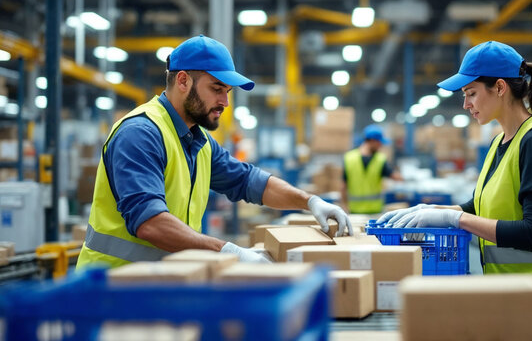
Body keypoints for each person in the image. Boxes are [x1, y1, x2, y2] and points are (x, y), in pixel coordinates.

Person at [76, 35, 351, 268]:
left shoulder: (199, 141)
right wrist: (231, 253)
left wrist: (311, 202)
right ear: (183, 81)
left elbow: (248, 181)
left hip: (160, 289)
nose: (226, 102)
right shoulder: (140, 134)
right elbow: (151, 223)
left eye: (228, 91)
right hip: (109, 293)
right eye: (217, 89)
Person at [376, 41, 532, 340]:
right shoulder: (500, 143)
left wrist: (456, 221)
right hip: (511, 297)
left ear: (500, 87)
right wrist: (434, 211)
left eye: (471, 94)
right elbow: (480, 204)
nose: (466, 105)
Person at [342, 124, 402, 214]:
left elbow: (343, 186)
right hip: (371, 212)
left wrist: (344, 206)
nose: (381, 145)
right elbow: (395, 177)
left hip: (356, 211)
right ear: (373, 141)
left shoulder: (349, 157)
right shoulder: (380, 159)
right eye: (379, 142)